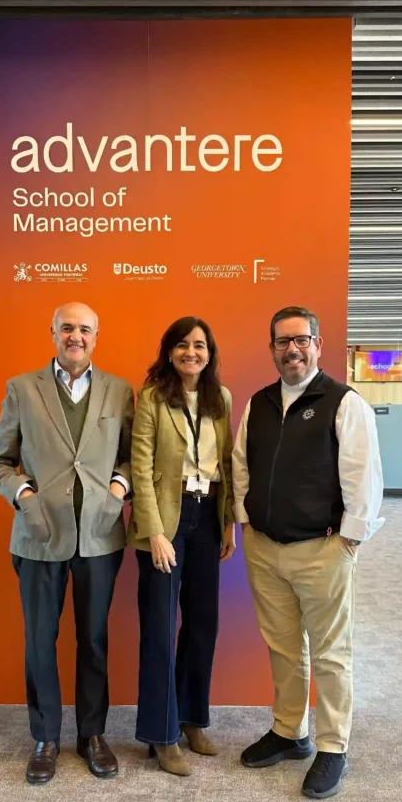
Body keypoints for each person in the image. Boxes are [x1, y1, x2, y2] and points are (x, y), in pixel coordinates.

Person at [232, 306, 384, 799]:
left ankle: (333, 745)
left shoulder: (344, 402)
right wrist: (245, 519)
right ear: (272, 348)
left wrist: (349, 539)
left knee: (330, 654)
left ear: (317, 344)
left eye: (301, 340)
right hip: (265, 547)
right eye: (282, 342)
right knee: (282, 647)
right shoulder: (258, 404)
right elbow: (241, 467)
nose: (291, 350)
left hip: (322, 549)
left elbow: (363, 476)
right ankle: (288, 731)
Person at [0, 302, 134, 785]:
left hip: (99, 535)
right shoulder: (23, 389)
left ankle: (92, 735)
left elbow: (133, 458)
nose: (76, 336)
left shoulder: (119, 391)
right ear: (52, 333)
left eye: (85, 329)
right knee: (40, 642)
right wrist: (24, 496)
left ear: (97, 335)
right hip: (38, 537)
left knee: (92, 639)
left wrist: (118, 490)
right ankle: (45, 737)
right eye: (67, 328)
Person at [128, 317, 235, 776]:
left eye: (199, 345)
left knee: (202, 625)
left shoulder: (221, 398)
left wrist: (228, 522)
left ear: (209, 352)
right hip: (166, 521)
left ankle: (191, 720)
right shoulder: (152, 396)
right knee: (159, 627)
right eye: (182, 345)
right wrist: (154, 532)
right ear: (169, 351)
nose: (191, 352)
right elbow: (140, 465)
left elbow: (227, 464)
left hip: (208, 515)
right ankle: (161, 735)